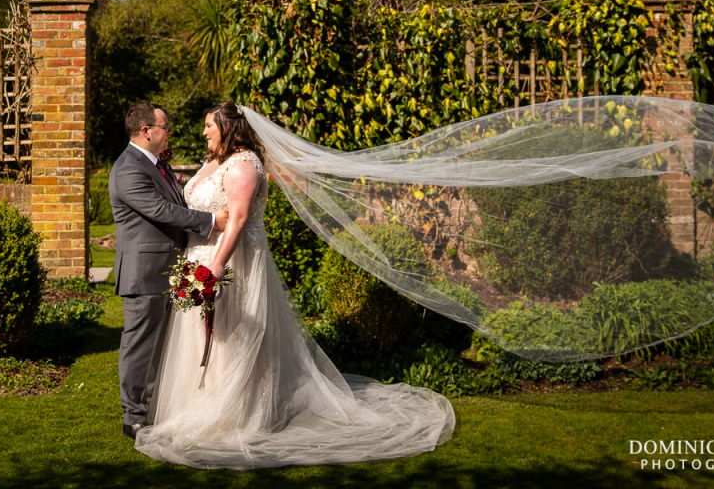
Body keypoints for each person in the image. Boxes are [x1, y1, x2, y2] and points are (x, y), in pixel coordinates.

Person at [134, 102, 455, 469]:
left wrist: (216, 267)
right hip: (200, 256)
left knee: (234, 334)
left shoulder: (243, 165)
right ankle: (194, 404)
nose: (203, 132)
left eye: (209, 125)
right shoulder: (213, 161)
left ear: (228, 126)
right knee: (201, 335)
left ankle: (233, 414)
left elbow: (237, 221)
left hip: (232, 262)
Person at [109, 102, 228, 440]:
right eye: (165, 126)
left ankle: (155, 407)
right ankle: (133, 417)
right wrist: (210, 221)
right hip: (143, 271)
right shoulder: (128, 169)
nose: (169, 131)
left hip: (168, 267)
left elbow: (176, 203)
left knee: (162, 345)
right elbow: (161, 210)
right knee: (140, 345)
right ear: (146, 131)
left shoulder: (156, 164)